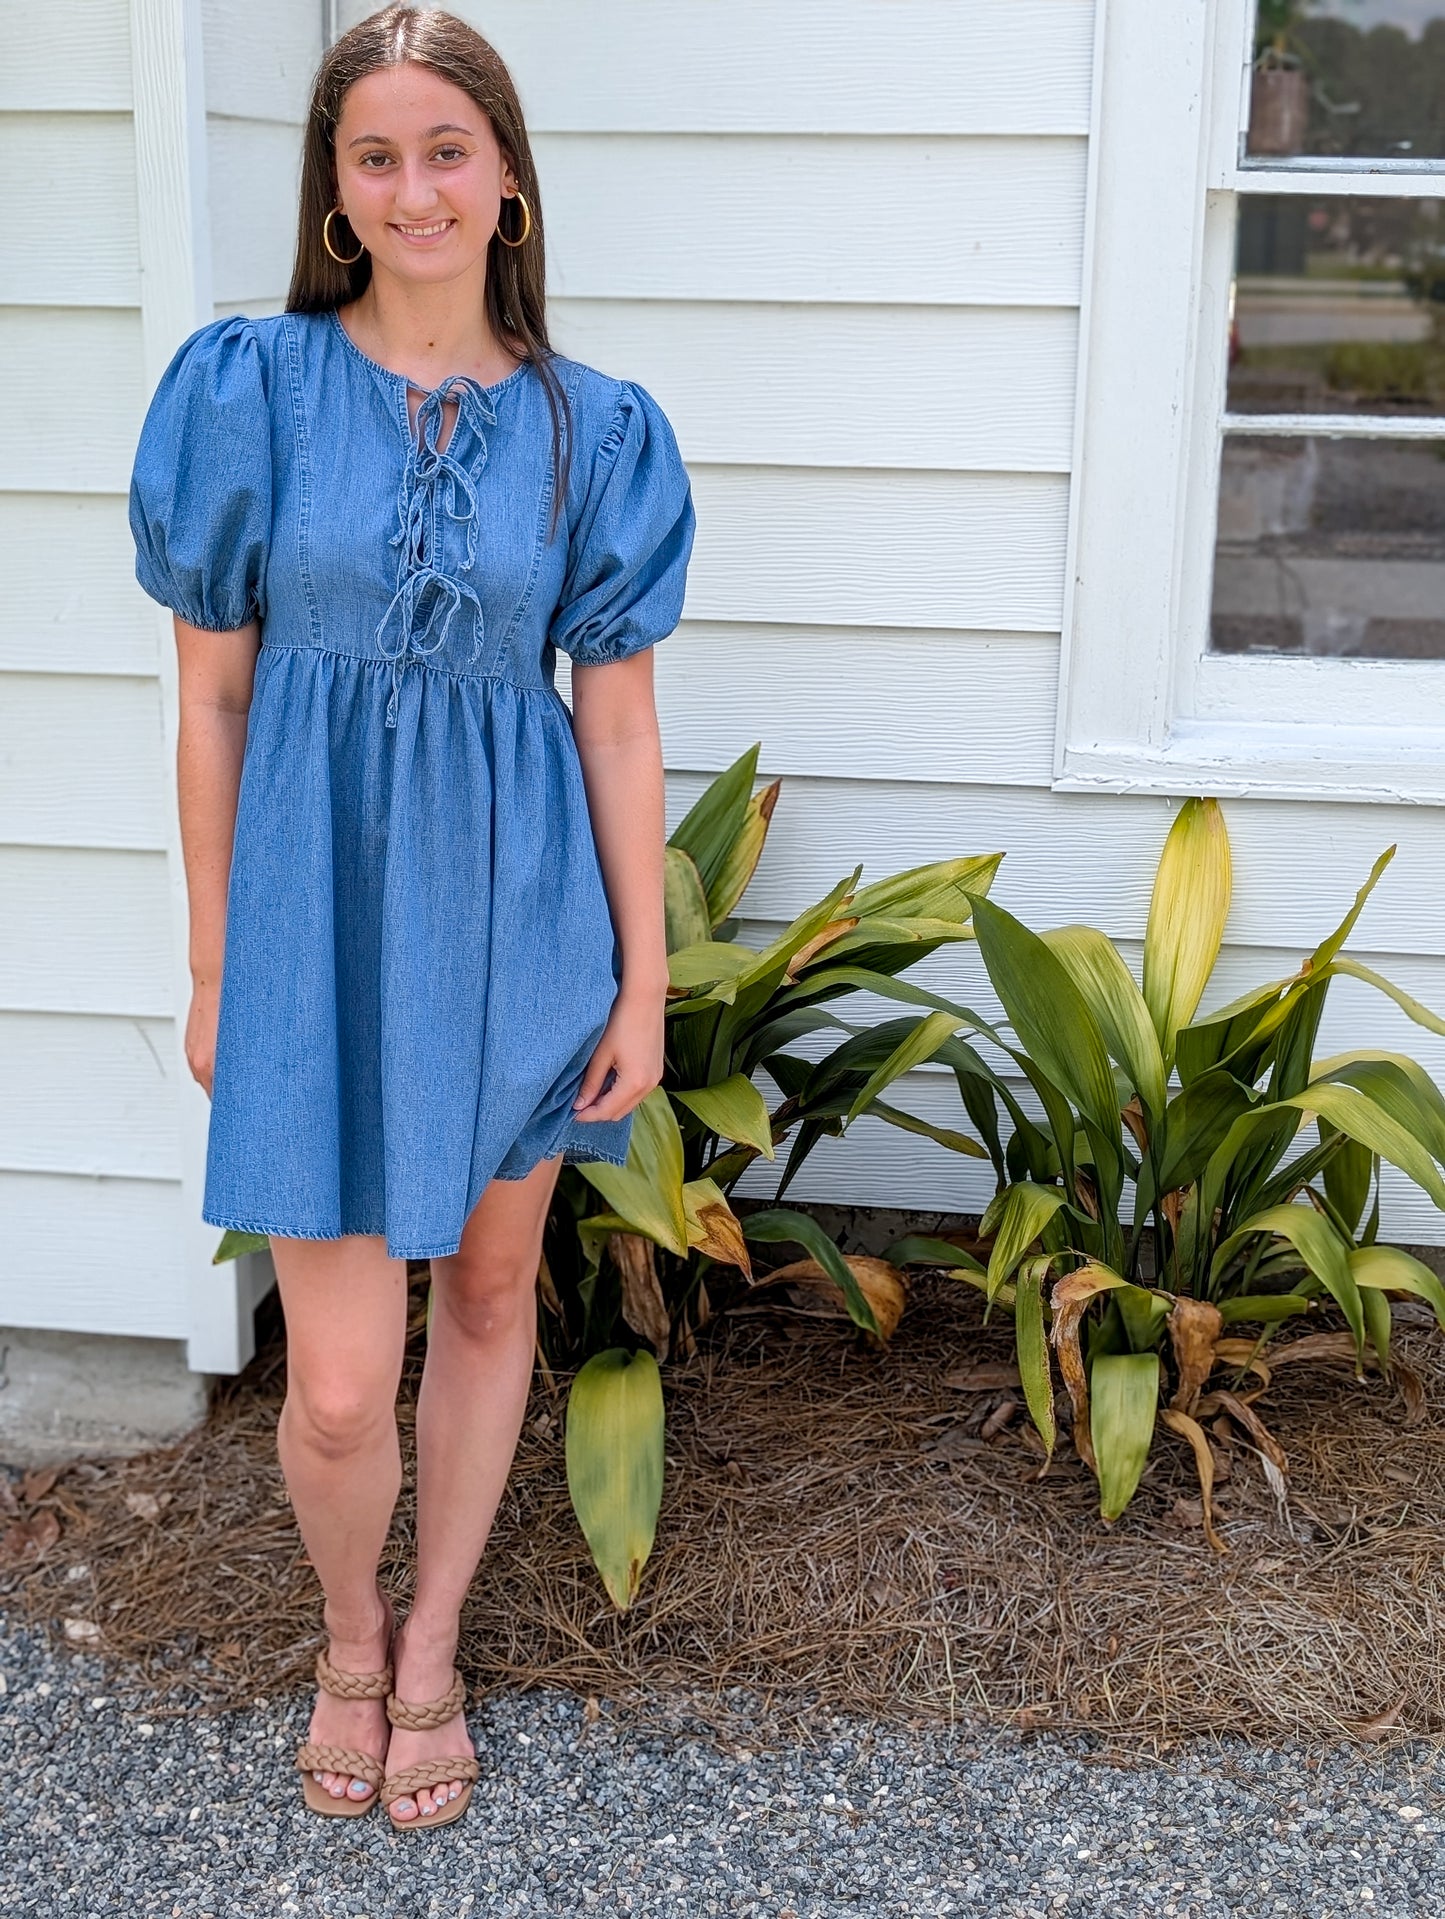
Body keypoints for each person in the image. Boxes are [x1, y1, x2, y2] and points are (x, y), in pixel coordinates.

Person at [127, 4, 695, 1834]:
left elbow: (613, 713)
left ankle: (433, 1642)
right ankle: (345, 1626)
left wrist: (645, 976)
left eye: (446, 149)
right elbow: (213, 696)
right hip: (317, 918)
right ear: (337, 192)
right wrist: (220, 959)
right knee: (340, 1383)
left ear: (508, 183)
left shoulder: (590, 432)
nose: (413, 186)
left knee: (499, 1287)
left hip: (521, 913)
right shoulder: (251, 391)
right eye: (374, 155)